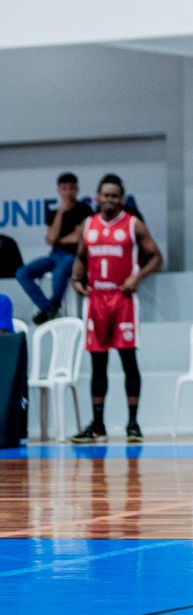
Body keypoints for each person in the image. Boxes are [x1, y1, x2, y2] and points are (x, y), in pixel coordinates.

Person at [70, 174, 162, 442]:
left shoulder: (133, 224)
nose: (110, 199)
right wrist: (76, 280)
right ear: (97, 197)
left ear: (122, 199)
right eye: (106, 195)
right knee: (98, 364)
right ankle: (97, 424)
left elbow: (157, 257)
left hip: (123, 300)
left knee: (128, 361)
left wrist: (137, 276)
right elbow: (81, 257)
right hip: (96, 300)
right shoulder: (88, 225)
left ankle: (133, 423)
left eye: (115, 195)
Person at [16, 171, 88, 324]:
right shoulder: (54, 213)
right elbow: (51, 239)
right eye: (64, 188)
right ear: (59, 190)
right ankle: (48, 308)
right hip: (55, 255)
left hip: (74, 255)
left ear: (77, 189)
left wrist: (58, 239)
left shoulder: (84, 210)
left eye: (71, 188)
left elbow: (79, 237)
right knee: (22, 273)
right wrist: (61, 212)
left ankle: (54, 305)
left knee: (59, 270)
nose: (68, 192)